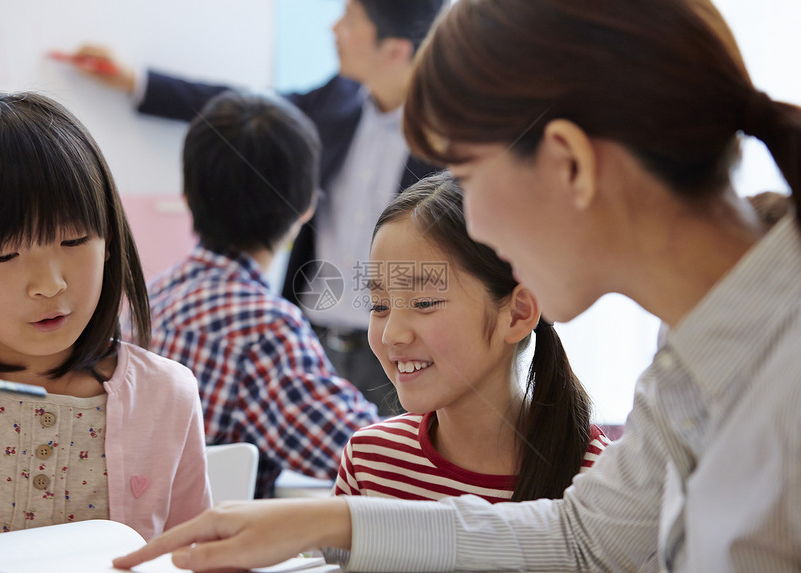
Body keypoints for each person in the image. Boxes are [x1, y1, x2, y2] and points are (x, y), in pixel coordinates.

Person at [111, 0, 801, 570]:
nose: (471, 222)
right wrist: (332, 518)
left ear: (569, 164)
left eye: (467, 178)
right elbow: (585, 538)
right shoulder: (690, 345)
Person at [66, 0, 448, 416]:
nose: (334, 29)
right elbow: (246, 116)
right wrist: (137, 82)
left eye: (351, 21)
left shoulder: (455, 134)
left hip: (402, 346)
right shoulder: (333, 102)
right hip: (316, 334)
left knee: (397, 468)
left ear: (394, 50)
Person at [0, 92, 211, 542]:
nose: (49, 284)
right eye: (5, 254)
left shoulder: (167, 395)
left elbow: (193, 557)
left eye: (74, 241)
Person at [147, 88, 379, 498]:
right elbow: (363, 455)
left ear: (187, 198)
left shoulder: (147, 298)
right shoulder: (264, 328)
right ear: (306, 206)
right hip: (216, 548)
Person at [333, 172, 609, 503]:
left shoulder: (600, 476)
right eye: (379, 306)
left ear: (518, 314)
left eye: (424, 303)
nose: (392, 334)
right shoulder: (369, 461)